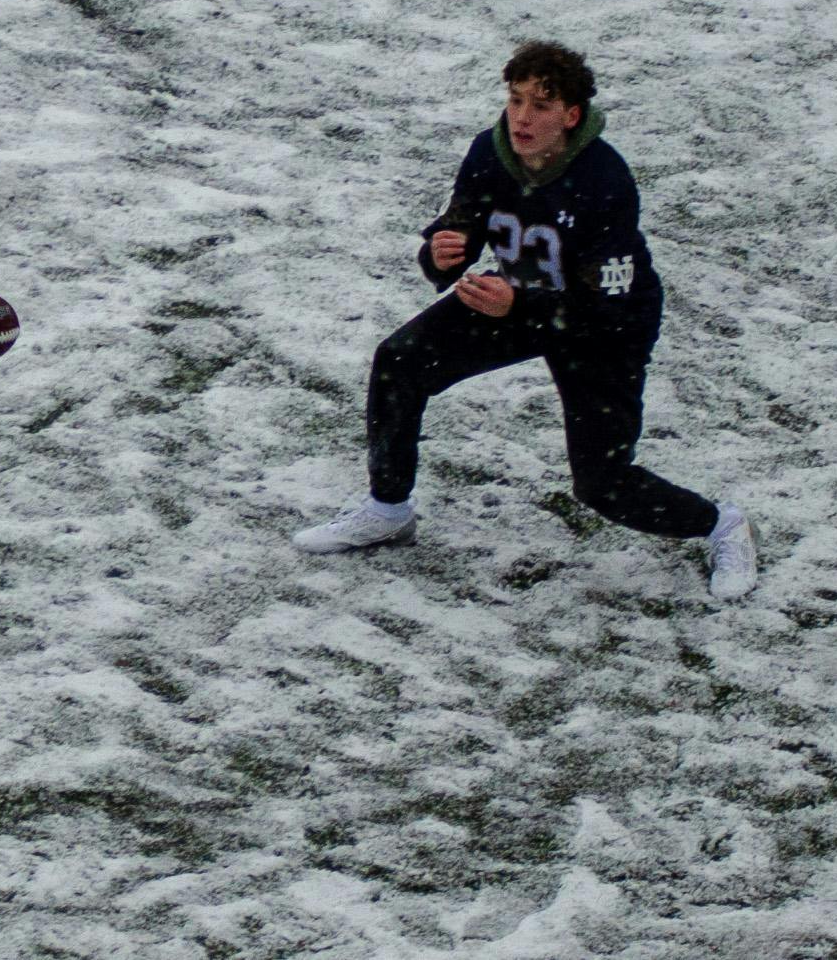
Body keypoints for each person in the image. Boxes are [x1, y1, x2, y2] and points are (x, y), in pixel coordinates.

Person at [292, 41, 758, 599]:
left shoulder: (605, 180)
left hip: (603, 328)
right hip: (517, 301)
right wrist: (444, 255)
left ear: (571, 116)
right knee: (401, 360)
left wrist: (519, 304)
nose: (521, 117)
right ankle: (387, 508)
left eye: (540, 105)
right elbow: (462, 224)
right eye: (515, 100)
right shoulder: (489, 153)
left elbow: (606, 302)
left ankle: (722, 523)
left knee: (602, 484)